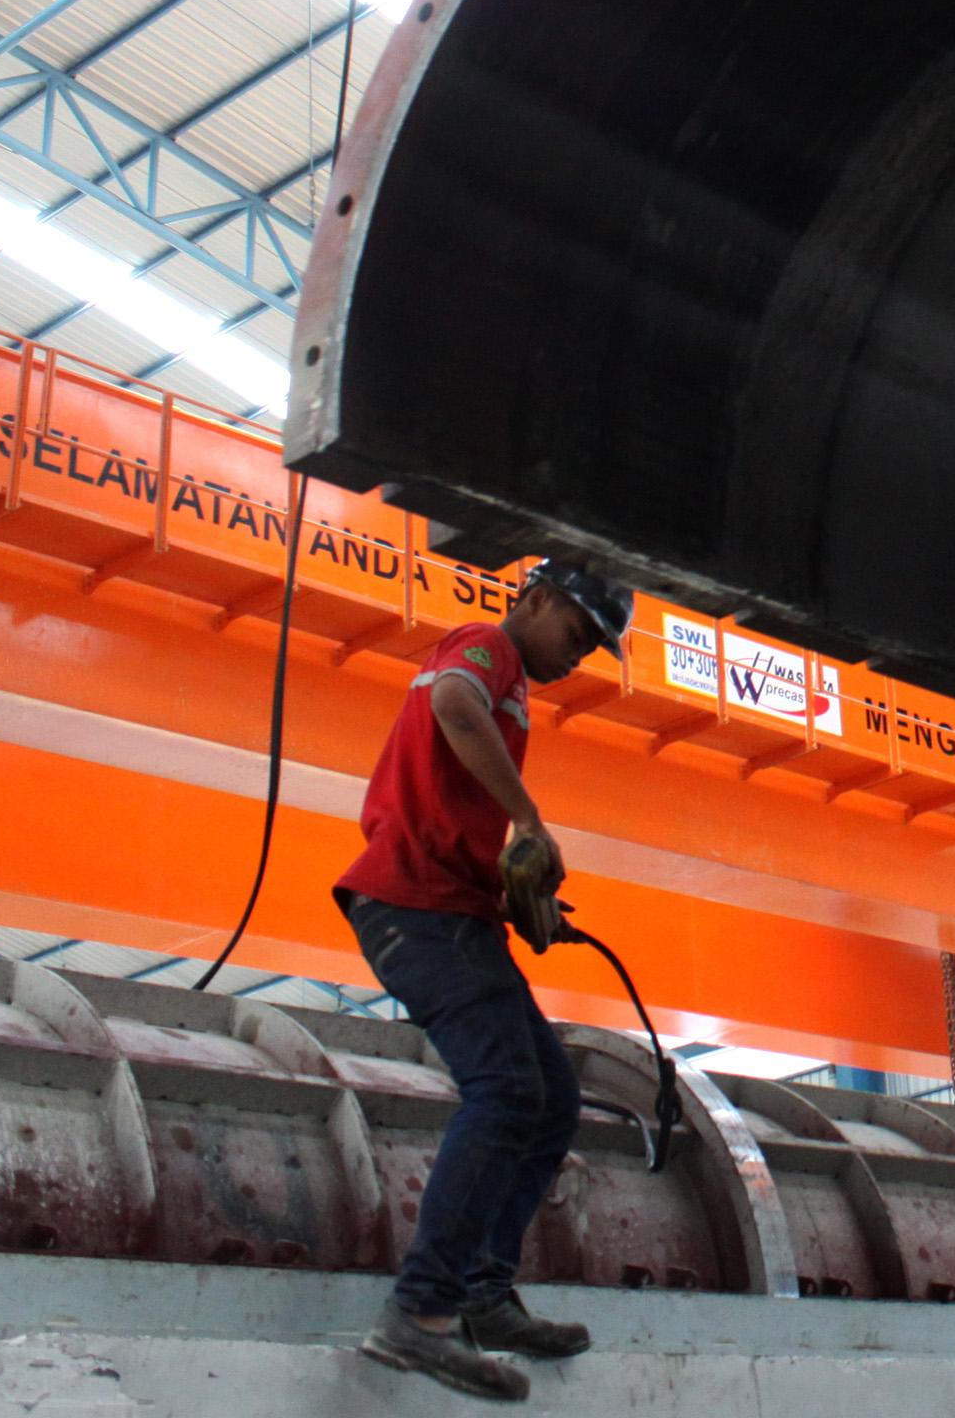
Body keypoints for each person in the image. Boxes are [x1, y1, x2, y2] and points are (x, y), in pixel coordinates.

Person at [338, 561, 634, 1402]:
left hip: (452, 911)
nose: (579, 655)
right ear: (535, 600)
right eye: (577, 632)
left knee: (551, 1099)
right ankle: (421, 1311)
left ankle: (482, 1293)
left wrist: (519, 898)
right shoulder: (485, 648)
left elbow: (449, 798)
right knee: (506, 1089)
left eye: (593, 646)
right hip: (415, 908)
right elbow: (453, 706)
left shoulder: (513, 681)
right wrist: (529, 821)